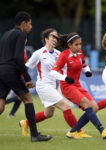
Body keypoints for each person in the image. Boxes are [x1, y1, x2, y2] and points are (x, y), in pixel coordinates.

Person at [19, 28, 91, 138]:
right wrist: (22, 81)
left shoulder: (59, 53)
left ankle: (26, 123)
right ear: (46, 39)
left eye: (57, 37)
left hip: (54, 86)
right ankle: (77, 131)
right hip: (43, 86)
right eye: (53, 36)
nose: (55, 39)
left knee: (48, 114)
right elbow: (26, 67)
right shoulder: (38, 53)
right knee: (65, 106)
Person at [0, 11, 52, 142]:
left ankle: (35, 135)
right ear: (24, 24)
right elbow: (18, 58)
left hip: (1, 70)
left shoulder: (6, 34)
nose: (31, 26)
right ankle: (35, 135)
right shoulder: (21, 34)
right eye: (30, 24)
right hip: (11, 71)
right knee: (28, 99)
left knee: (1, 105)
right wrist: (27, 78)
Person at [50, 32, 106, 139]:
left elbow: (84, 64)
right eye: (76, 45)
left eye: (80, 44)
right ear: (69, 45)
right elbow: (53, 72)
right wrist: (65, 78)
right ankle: (102, 130)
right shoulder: (63, 55)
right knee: (87, 104)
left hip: (77, 85)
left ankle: (73, 131)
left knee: (94, 107)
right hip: (67, 86)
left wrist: (87, 71)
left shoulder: (80, 53)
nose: (79, 47)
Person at [6, 49, 27, 118]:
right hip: (15, 74)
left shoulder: (23, 48)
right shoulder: (16, 48)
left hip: (20, 74)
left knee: (21, 96)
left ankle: (11, 114)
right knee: (22, 96)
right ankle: (3, 104)